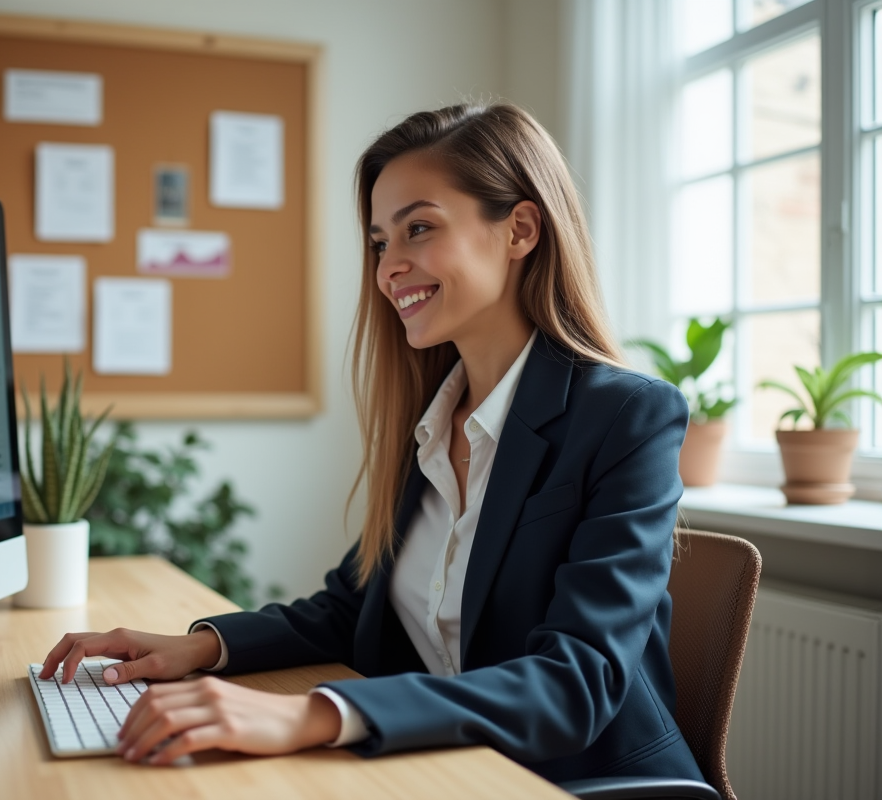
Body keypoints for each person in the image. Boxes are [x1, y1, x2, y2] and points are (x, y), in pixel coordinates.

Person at [39, 102, 705, 786]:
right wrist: (199, 648)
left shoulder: (626, 416)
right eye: (381, 242)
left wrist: (311, 714)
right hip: (453, 767)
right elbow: (355, 606)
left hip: (578, 782)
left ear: (520, 230)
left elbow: (576, 683)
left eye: (419, 228)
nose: (390, 268)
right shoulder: (431, 417)